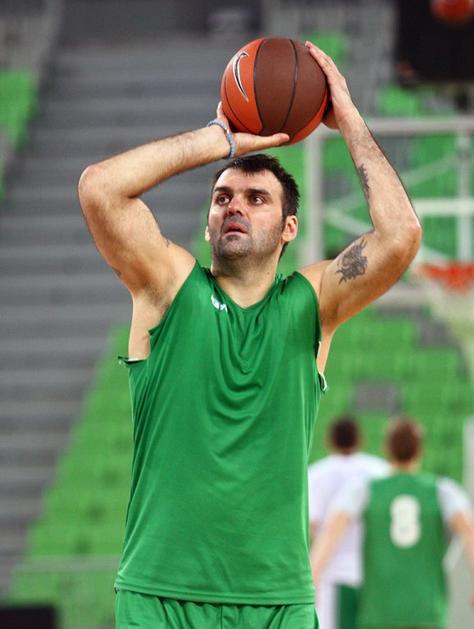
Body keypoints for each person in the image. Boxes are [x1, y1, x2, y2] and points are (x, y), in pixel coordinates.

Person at [78, 41, 421, 629]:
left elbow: (401, 236)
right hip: (161, 596)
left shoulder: (310, 304)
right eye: (222, 198)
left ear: (289, 228)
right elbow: (99, 189)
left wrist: (347, 118)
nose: (234, 206)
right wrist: (222, 139)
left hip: (277, 603)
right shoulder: (168, 288)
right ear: (208, 223)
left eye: (256, 199)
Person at [311, 417, 474, 629]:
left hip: (379, 610)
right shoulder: (443, 491)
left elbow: (330, 534)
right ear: (420, 450)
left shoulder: (364, 491)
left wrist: (313, 578)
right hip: (426, 608)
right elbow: (468, 532)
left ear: (386, 449)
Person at [308, 415, 388, 629]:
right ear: (360, 439)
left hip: (334, 574)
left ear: (329, 440)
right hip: (376, 574)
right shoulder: (381, 471)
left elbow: (310, 527)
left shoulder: (317, 474)